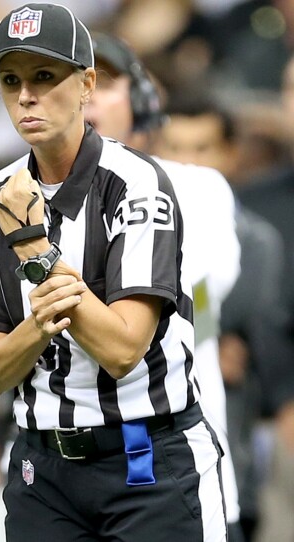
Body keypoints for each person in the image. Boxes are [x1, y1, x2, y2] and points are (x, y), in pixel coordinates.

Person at [0, 4, 226, 540]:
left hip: (144, 460)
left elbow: (124, 350)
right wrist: (38, 323)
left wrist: (36, 251)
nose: (26, 96)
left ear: (86, 85)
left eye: (44, 76)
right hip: (43, 470)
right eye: (11, 81)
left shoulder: (137, 183)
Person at [84, 33, 245, 539]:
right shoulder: (10, 194)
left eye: (101, 81)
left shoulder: (196, 187)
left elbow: (171, 308)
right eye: (61, 80)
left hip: (177, 468)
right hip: (60, 475)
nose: (82, 93)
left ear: (143, 100)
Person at [153, 95, 294, 542]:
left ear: (230, 154)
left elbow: (257, 325)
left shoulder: (256, 239)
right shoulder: (134, 230)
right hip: (161, 453)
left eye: (202, 149)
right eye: (174, 147)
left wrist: (211, 337)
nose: (187, 163)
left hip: (245, 441)